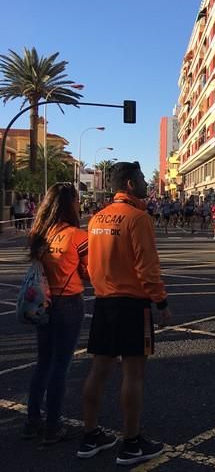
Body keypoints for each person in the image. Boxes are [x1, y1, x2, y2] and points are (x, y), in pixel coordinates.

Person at [79, 162, 171, 465]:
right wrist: (161, 302)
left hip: (104, 302)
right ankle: (131, 443)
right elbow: (147, 268)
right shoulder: (137, 218)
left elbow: (91, 264)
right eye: (143, 178)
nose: (146, 182)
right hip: (132, 304)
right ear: (130, 184)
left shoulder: (96, 219)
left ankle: (90, 435)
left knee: (99, 370)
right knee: (133, 374)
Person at [23, 183, 87, 445]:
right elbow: (89, 271)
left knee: (43, 362)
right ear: (70, 203)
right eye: (77, 200)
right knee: (61, 365)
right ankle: (53, 425)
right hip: (68, 302)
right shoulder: (77, 236)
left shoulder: (39, 233)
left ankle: (32, 420)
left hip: (42, 302)